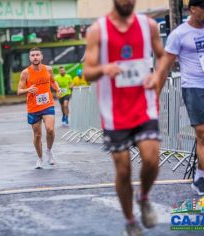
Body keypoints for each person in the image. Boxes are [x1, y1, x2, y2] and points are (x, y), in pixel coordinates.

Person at [83, 0, 165, 235]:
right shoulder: (98, 30)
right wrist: (103, 69)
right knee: (123, 170)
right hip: (114, 111)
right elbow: (88, 72)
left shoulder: (148, 25)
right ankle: (130, 221)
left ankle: (144, 196)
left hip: (144, 104)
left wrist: (157, 76)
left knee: (151, 159)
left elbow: (163, 57)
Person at [150, 0, 204, 200]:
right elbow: (164, 67)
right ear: (192, 8)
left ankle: (198, 177)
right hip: (193, 89)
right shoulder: (179, 34)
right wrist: (155, 97)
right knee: (203, 135)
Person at [17, 47, 61, 169]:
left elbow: (53, 81)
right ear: (30, 58)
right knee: (37, 135)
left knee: (50, 129)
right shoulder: (25, 73)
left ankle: (49, 151)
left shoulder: (48, 69)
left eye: (37, 55)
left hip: (47, 104)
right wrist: (28, 89)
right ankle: (40, 158)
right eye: (32, 55)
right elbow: (19, 90)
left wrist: (58, 89)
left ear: (41, 57)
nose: (35, 57)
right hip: (33, 107)